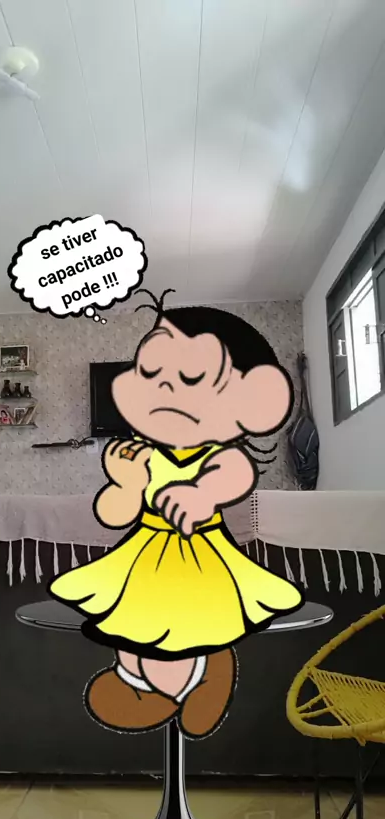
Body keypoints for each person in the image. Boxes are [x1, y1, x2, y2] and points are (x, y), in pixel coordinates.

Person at [49, 291, 303, 739]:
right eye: (149, 371)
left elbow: (233, 474)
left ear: (256, 401)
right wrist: (127, 485)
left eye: (191, 376)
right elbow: (114, 513)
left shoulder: (219, 454)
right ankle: (143, 684)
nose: (164, 388)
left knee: (188, 620)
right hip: (144, 550)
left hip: (199, 553)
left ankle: (202, 674)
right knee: (129, 624)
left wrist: (203, 494)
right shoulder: (137, 454)